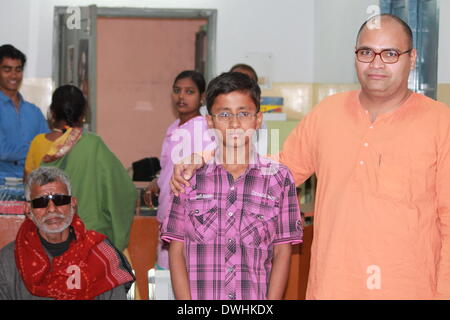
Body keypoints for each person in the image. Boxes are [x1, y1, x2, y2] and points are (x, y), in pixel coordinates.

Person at [170, 14, 450, 299]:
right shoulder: (327, 113)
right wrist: (207, 158)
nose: (376, 63)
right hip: (332, 287)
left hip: (411, 289)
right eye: (366, 52)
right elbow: (277, 170)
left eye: (390, 53)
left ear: (412, 58)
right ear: (355, 57)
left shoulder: (440, 123)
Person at [161, 72, 302, 300]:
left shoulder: (278, 178)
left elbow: (282, 251)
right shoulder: (189, 177)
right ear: (210, 121)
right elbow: (177, 252)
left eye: (244, 114)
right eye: (224, 114)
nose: (235, 123)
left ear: (258, 120)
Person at [24, 85, 136, 251]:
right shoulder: (94, 145)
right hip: (91, 238)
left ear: (52, 112)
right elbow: (124, 192)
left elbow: (29, 190)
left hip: (52, 237)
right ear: (83, 113)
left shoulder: (39, 144)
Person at [0, 167, 135, 300]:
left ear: (73, 204)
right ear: (28, 210)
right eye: (41, 202)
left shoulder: (101, 253)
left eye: (60, 200)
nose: (51, 209)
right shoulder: (9, 259)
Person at [143, 70, 212, 270]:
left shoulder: (203, 129)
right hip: (166, 213)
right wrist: (157, 182)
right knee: (166, 275)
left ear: (202, 97)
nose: (181, 96)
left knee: (183, 276)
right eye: (177, 91)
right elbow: (169, 166)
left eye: (189, 91)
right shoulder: (174, 126)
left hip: (188, 220)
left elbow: (205, 173)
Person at [0, 44, 49, 183]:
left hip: (32, 185)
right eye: (7, 70)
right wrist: (33, 148)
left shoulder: (33, 111)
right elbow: (3, 152)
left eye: (18, 70)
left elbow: (47, 148)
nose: (14, 75)